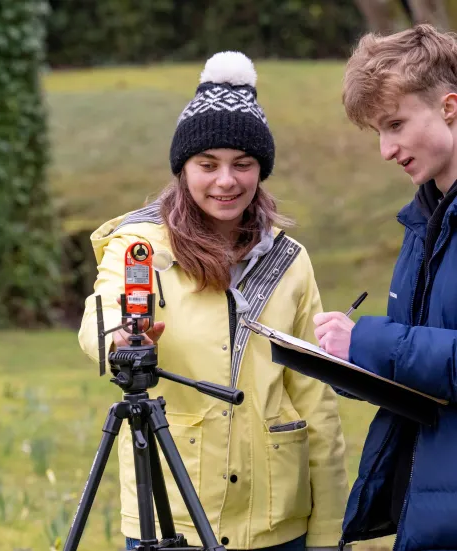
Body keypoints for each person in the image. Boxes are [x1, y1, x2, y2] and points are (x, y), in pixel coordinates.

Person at [78, 51, 349, 551]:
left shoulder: (290, 261)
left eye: (242, 165)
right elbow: (102, 316)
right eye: (208, 165)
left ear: (260, 170)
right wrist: (120, 339)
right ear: (183, 169)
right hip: (170, 512)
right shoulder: (140, 245)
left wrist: (330, 530)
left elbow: (316, 398)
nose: (226, 181)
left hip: (277, 520)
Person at [313, 24, 457, 551]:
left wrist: (370, 341)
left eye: (395, 124)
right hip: (431, 510)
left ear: (449, 107)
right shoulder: (423, 220)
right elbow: (417, 367)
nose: (386, 149)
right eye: (378, 131)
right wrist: (346, 359)